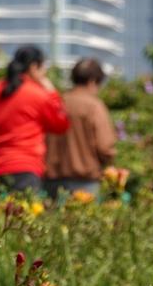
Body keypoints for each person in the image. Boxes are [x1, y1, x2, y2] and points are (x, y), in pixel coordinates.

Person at [0, 45, 69, 192]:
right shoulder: (38, 95)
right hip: (24, 169)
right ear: (34, 67)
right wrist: (52, 92)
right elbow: (61, 124)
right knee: (23, 214)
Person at [44, 58, 117, 198]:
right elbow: (105, 146)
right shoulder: (94, 106)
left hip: (52, 181)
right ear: (92, 81)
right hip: (85, 182)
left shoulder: (57, 102)